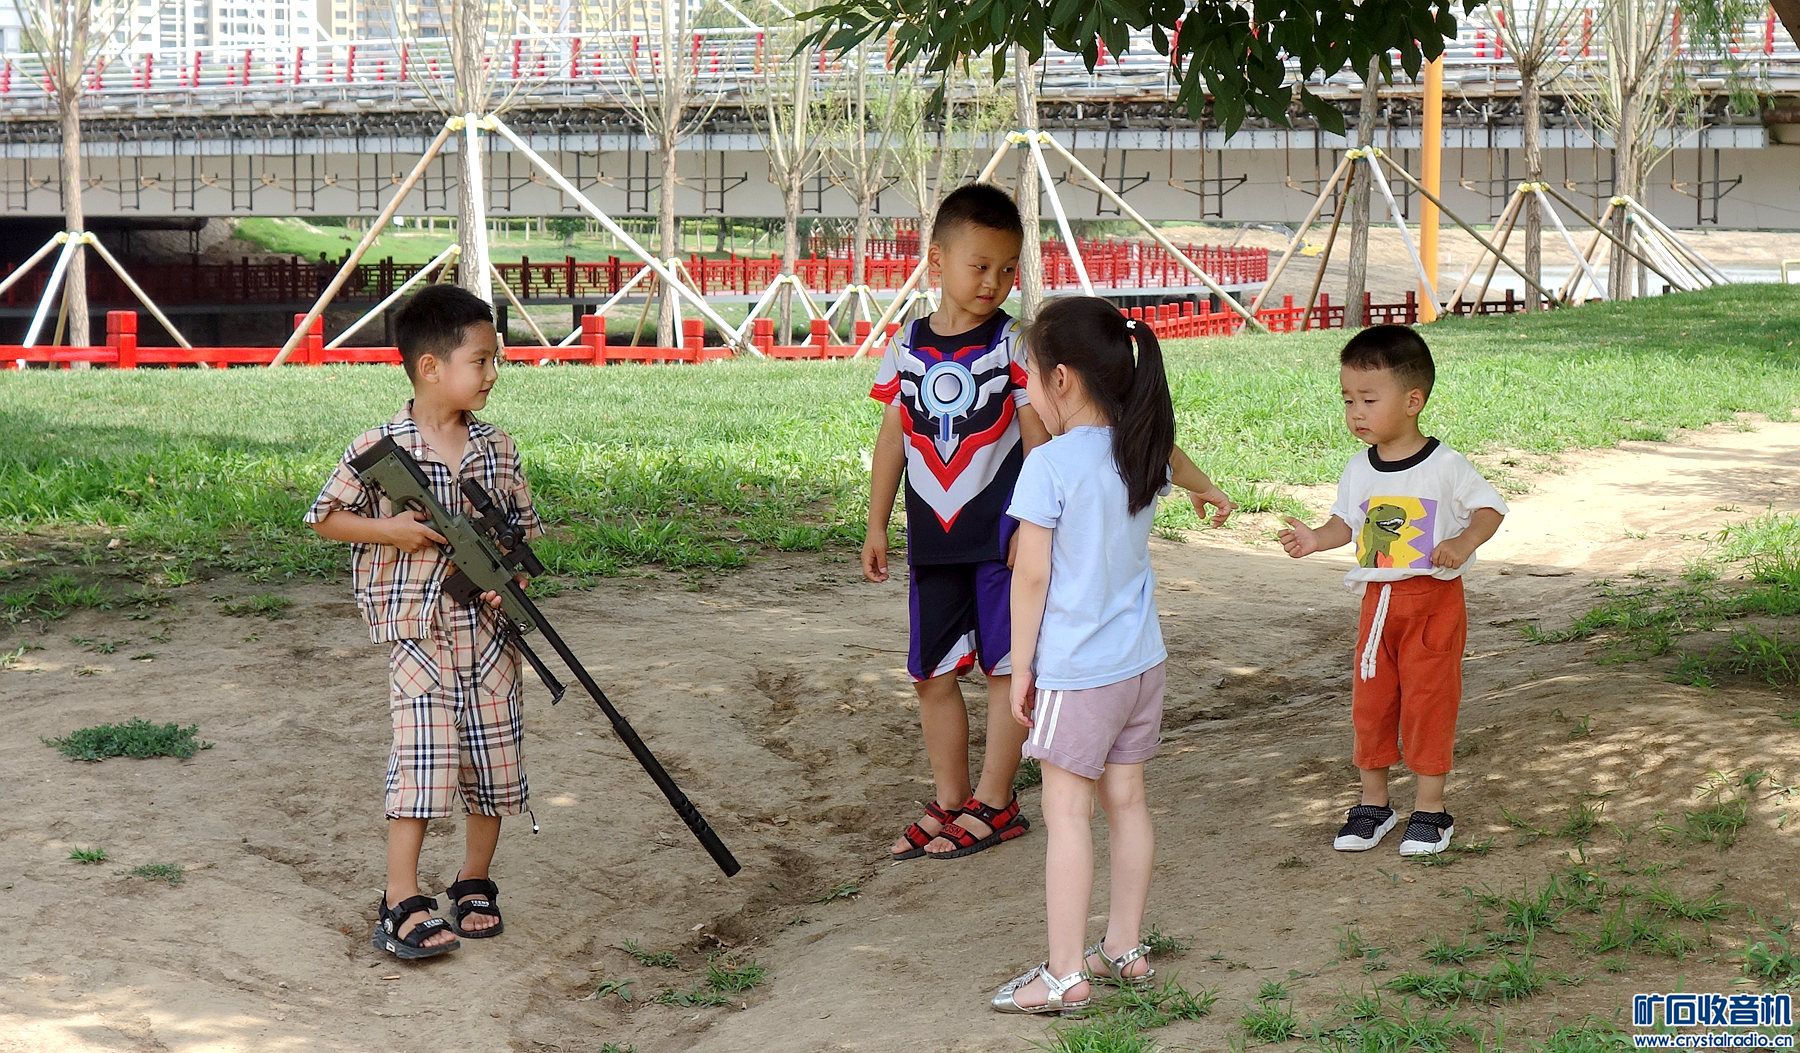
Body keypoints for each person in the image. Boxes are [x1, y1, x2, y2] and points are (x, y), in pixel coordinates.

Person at [865, 186, 1232, 862]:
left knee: (1007, 669)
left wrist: (1041, 526)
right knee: (930, 674)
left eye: (1008, 269)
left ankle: (994, 800)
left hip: (1001, 545)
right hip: (933, 542)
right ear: (936, 259)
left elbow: (1044, 439)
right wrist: (877, 524)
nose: (994, 282)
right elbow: (894, 436)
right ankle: (949, 798)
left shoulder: (1016, 344)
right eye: (979, 266)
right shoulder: (906, 344)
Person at [992, 296, 1230, 1014]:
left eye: (1030, 375)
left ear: (1061, 378)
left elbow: (1030, 575)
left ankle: (1064, 974)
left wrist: (1022, 666)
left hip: (1078, 671)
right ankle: (1124, 947)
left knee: (1066, 812)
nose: (1029, 389)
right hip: (1140, 664)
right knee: (1127, 802)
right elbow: (1174, 459)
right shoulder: (1139, 447)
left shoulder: (1049, 464)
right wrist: (1208, 488)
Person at [305, 285, 541, 959]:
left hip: (489, 639)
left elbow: (522, 534)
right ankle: (401, 897)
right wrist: (390, 531)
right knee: (423, 762)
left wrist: (510, 581)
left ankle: (473, 880)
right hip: (419, 635)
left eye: (495, 360)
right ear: (431, 367)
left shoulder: (497, 448)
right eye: (481, 360)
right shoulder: (380, 447)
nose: (493, 373)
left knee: (494, 760)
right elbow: (325, 517)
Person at [1277, 324, 1508, 856]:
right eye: (1347, 400)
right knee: (1372, 704)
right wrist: (1315, 539)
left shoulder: (1445, 465)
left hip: (1432, 604)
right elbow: (1345, 524)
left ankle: (1431, 809)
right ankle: (1373, 805)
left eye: (1368, 399)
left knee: (1429, 701)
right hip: (1376, 605)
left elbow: (1490, 509)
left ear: (1412, 401)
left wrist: (1462, 542)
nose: (1355, 412)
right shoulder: (1358, 468)